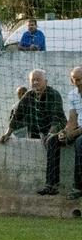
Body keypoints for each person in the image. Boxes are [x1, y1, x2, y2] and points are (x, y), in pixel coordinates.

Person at [0, 69, 66, 195]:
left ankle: (51, 185)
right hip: (38, 129)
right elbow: (17, 114)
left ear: (45, 82)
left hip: (57, 128)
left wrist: (50, 134)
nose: (35, 82)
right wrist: (7, 133)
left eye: (38, 80)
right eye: (33, 80)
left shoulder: (54, 94)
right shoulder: (29, 95)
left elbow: (56, 119)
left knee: (52, 141)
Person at [47, 67, 82, 200]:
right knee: (53, 139)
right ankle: (51, 185)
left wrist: (74, 133)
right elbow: (72, 119)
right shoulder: (72, 94)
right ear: (71, 80)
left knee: (79, 142)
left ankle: (78, 187)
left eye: (80, 80)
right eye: (75, 80)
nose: (77, 83)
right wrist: (64, 132)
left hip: (80, 132)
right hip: (78, 128)